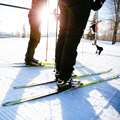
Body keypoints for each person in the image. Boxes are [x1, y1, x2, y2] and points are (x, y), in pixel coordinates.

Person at [55, 0, 106, 91]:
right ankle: (64, 78)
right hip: (81, 2)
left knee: (62, 36)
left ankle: (60, 71)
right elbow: (96, 6)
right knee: (71, 37)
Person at [25, 0, 47, 65]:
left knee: (37, 39)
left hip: (38, 16)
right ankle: (28, 59)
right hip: (34, 15)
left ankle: (30, 57)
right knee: (34, 38)